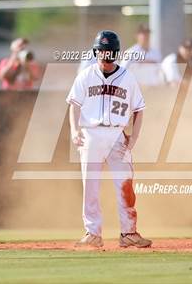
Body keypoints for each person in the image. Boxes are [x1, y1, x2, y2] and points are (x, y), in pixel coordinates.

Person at [66, 30, 152, 248]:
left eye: (109, 51)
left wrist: (135, 137)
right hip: (91, 134)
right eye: (102, 51)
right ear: (96, 52)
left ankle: (128, 233)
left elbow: (139, 109)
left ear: (115, 53)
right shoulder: (85, 75)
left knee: (125, 186)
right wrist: (74, 131)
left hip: (117, 134)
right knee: (91, 187)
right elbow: (73, 105)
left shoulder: (127, 77)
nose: (105, 55)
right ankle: (93, 233)